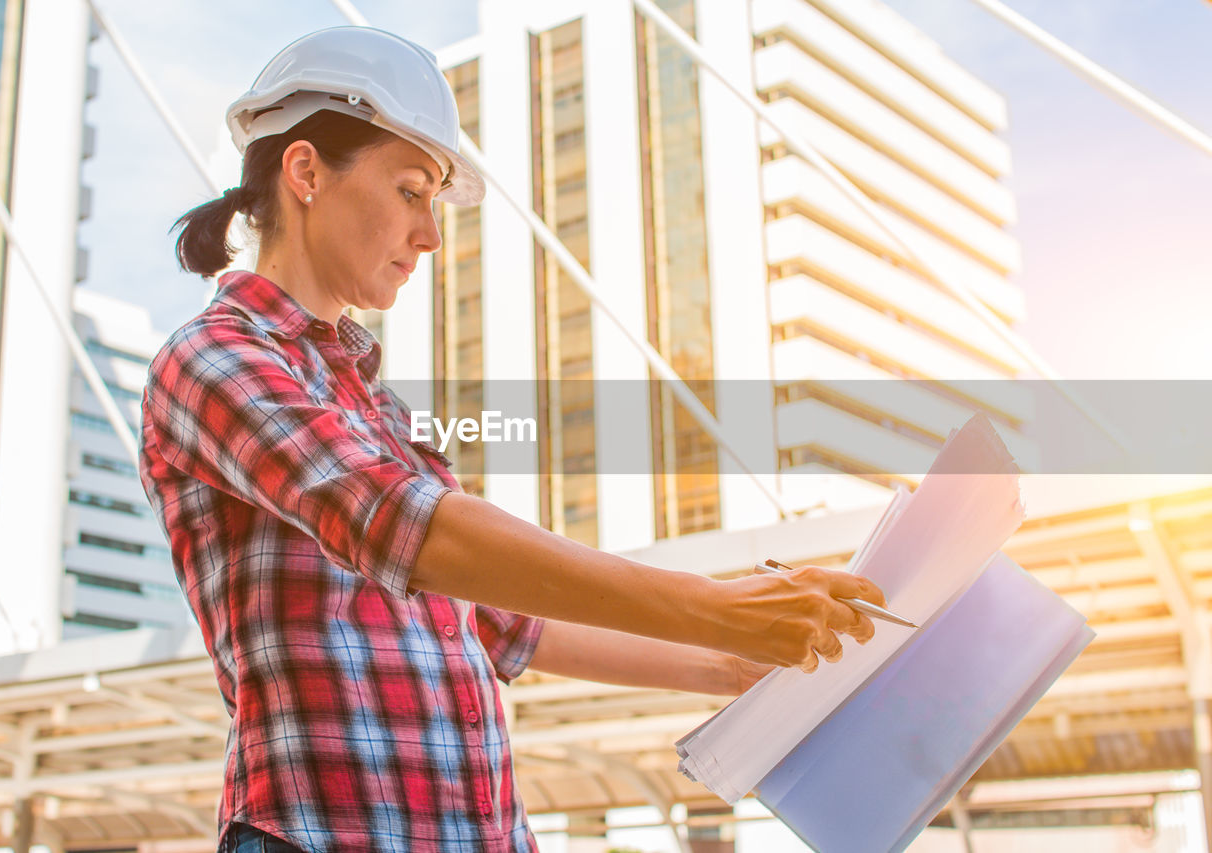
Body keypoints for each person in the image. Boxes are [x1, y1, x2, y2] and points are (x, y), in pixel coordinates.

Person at [141, 25, 886, 853]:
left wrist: (738, 659)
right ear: (306, 171)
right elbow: (396, 520)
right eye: (412, 190)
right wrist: (715, 607)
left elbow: (503, 620)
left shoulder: (373, 402)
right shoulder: (211, 359)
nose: (430, 232)